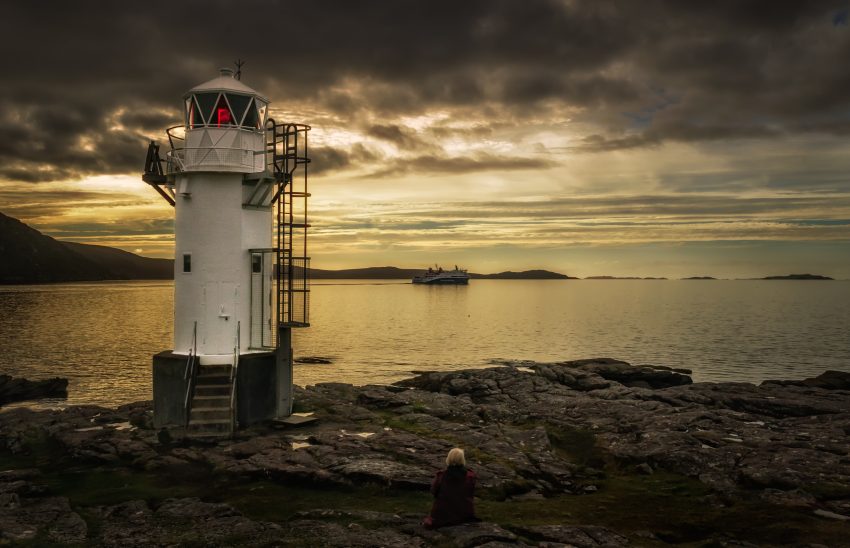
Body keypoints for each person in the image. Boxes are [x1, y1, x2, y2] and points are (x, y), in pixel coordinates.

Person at [423, 447, 478, 528]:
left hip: (443, 513)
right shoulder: (470, 476)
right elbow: (471, 493)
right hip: (464, 512)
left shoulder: (441, 475)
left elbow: (434, 491)